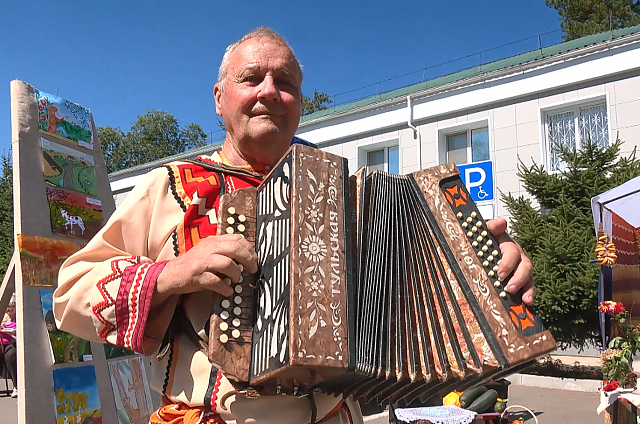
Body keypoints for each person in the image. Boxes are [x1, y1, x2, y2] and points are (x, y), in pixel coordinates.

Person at [53, 27, 535, 424]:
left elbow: (414, 305)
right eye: (251, 78)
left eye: (285, 82)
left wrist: (488, 277)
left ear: (300, 102)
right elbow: (69, 293)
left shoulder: (352, 200)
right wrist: (172, 274)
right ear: (220, 99)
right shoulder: (174, 187)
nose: (269, 91)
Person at [1, 294, 17, 398]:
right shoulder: (2, 316)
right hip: (1, 343)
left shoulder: (19, 317)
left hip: (12, 343)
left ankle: (16, 386)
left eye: (13, 306)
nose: (10, 309)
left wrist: (13, 332)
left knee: (10, 355)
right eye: (8, 307)